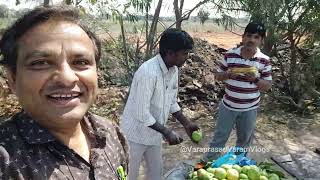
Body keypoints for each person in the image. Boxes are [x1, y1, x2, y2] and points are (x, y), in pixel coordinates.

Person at [0, 6, 129, 180]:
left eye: (81, 62)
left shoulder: (111, 134)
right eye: (41, 63)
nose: (67, 78)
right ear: (12, 79)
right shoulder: (6, 161)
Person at [120, 28, 200, 180]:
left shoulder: (174, 70)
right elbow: (141, 113)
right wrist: (167, 132)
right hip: (134, 135)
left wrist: (186, 123)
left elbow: (171, 101)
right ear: (170, 53)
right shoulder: (148, 73)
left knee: (156, 174)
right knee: (130, 175)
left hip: (154, 134)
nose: (187, 57)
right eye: (184, 53)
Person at [204, 22, 272, 161]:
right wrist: (228, 74)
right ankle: (207, 163)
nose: (251, 40)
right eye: (248, 36)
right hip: (228, 106)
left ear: (261, 41)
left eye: (256, 37)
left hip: (250, 109)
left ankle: (238, 165)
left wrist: (255, 80)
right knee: (219, 138)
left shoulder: (264, 61)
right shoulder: (229, 55)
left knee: (244, 141)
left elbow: (267, 86)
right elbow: (217, 76)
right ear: (243, 37)